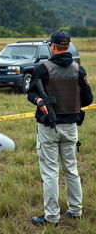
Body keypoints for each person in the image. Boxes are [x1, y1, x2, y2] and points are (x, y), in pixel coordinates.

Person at [27, 30, 93, 226]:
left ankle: (52, 216)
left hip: (48, 127)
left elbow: (30, 94)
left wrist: (39, 100)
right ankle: (75, 210)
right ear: (68, 46)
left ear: (53, 46)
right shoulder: (78, 69)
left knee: (50, 173)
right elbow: (88, 99)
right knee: (71, 170)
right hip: (71, 126)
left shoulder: (42, 68)